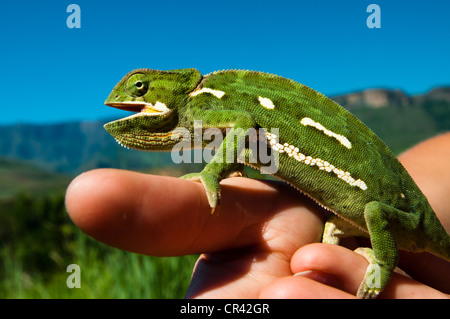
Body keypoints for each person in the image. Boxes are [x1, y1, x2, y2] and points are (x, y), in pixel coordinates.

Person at [65, 133, 450, 298]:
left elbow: (244, 131)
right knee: (346, 223)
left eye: (143, 89)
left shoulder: (213, 103)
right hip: (367, 203)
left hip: (394, 213)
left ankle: (384, 259)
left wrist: (214, 171)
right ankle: (360, 239)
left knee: (373, 210)